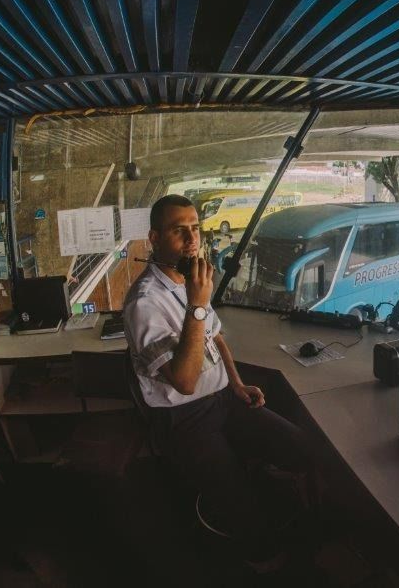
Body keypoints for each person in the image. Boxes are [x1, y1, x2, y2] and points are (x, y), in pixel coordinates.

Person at [123, 194, 313, 558]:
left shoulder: (190, 278)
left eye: (195, 228)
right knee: (238, 501)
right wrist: (196, 306)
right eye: (179, 231)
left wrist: (236, 383)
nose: (192, 238)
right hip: (183, 418)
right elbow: (185, 381)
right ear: (155, 238)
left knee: (301, 448)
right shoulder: (144, 303)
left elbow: (216, 336)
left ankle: (256, 486)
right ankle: (262, 559)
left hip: (224, 399)